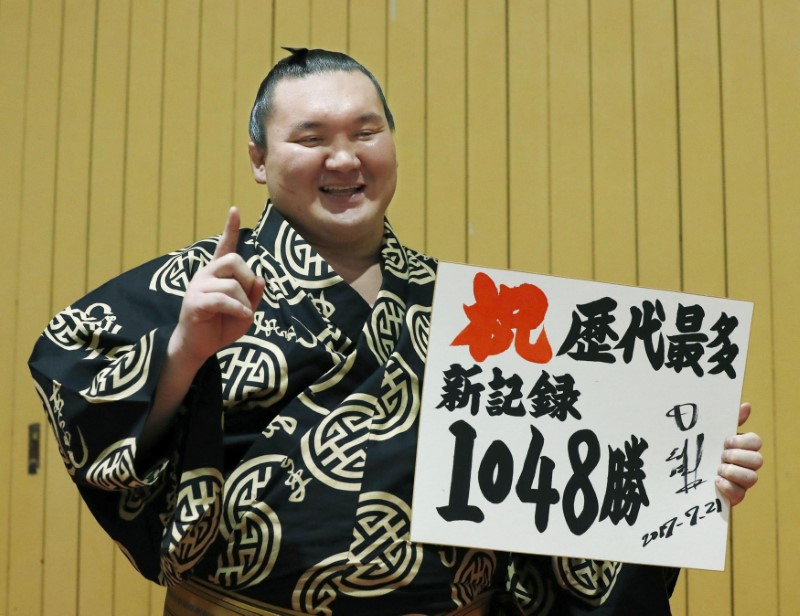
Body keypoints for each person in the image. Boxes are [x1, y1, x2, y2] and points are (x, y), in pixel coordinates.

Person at [29, 48, 763, 616]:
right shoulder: (193, 287)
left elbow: (568, 492)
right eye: (310, 137)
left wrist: (686, 477)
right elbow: (85, 389)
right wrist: (184, 352)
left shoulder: (487, 317)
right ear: (259, 160)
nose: (344, 159)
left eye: (366, 132)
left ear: (392, 144)